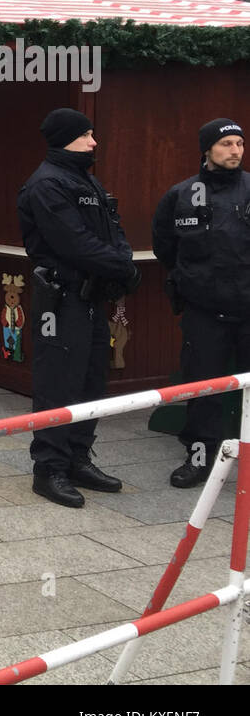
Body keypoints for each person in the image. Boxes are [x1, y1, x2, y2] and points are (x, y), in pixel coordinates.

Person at [17, 108, 140, 507]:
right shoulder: (46, 185)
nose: (94, 142)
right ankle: (48, 468)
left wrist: (123, 262)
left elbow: (112, 228)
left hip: (90, 298)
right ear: (66, 138)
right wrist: (122, 265)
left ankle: (76, 459)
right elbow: (74, 242)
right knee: (57, 383)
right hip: (61, 298)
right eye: (87, 135)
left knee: (90, 380)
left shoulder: (85, 179)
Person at [151, 118, 250, 488]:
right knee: (202, 387)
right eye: (226, 144)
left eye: (240, 143)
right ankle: (198, 458)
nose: (235, 150)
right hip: (204, 313)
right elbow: (165, 246)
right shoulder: (181, 194)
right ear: (207, 150)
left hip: (248, 310)